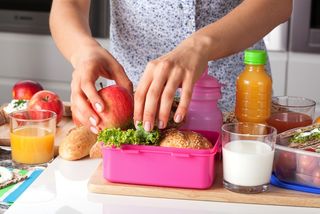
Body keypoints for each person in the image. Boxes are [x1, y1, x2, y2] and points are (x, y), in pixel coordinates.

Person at [50, 0, 292, 134]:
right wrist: (83, 52)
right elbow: (68, 4)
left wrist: (200, 46)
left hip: (240, 105)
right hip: (136, 111)